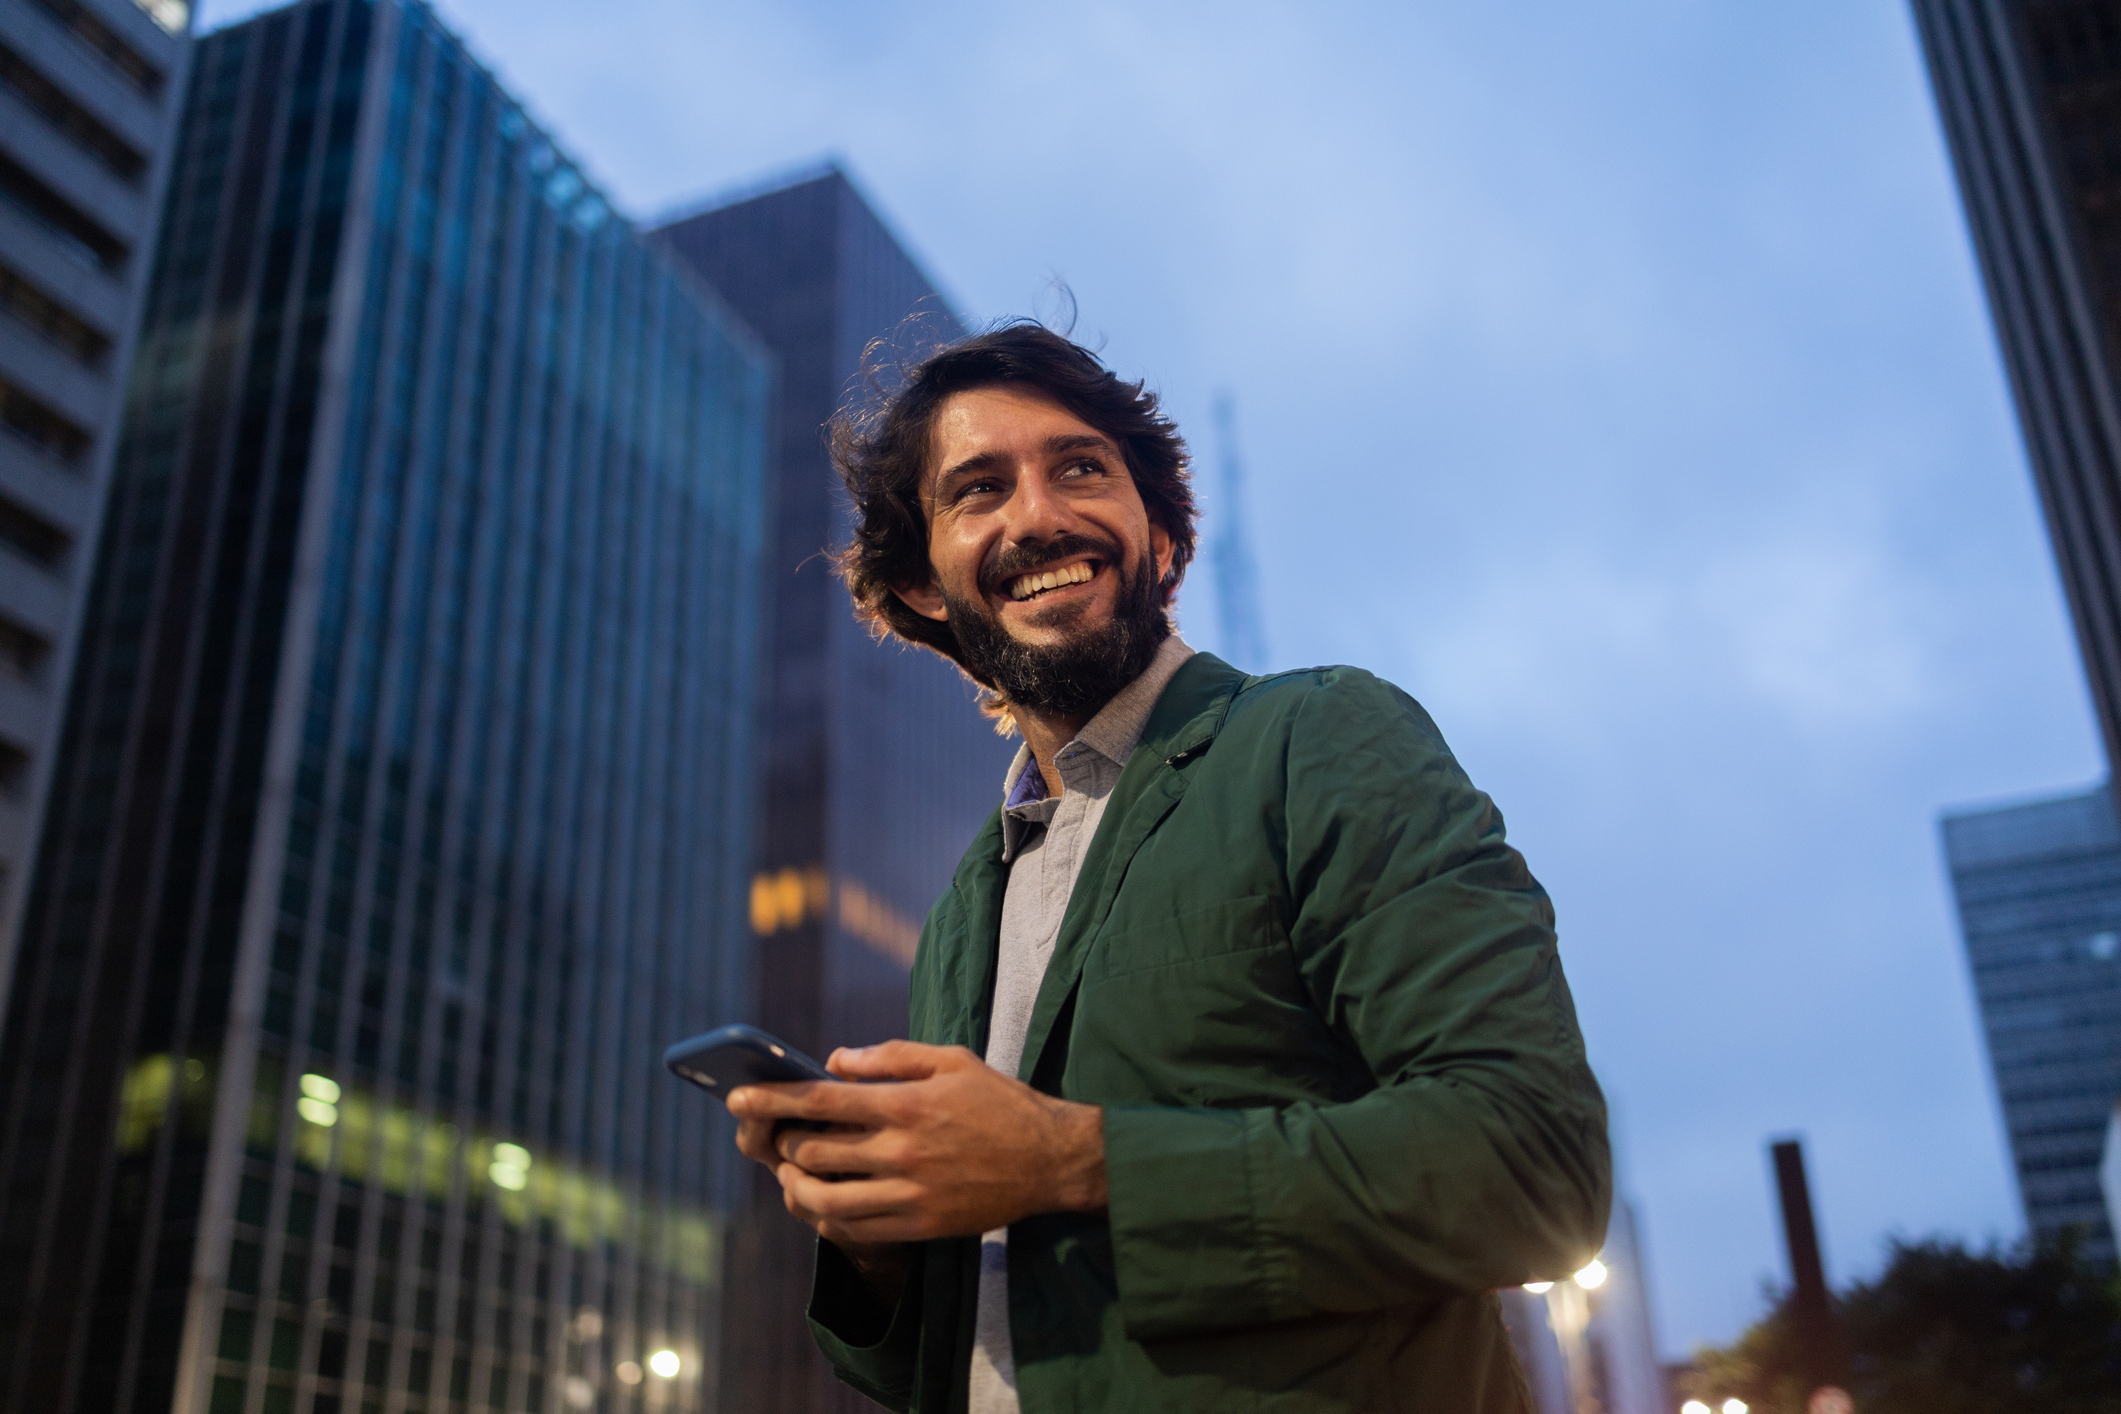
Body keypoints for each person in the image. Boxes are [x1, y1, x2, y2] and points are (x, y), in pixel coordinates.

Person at [727, 322, 1610, 1412]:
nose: (1039, 515)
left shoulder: (1318, 736)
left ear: (1161, 534)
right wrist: (882, 1239)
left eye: (1081, 467)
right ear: (918, 583)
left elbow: (1534, 1167)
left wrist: (1066, 1161)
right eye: (981, 488)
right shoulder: (966, 905)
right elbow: (942, 1362)